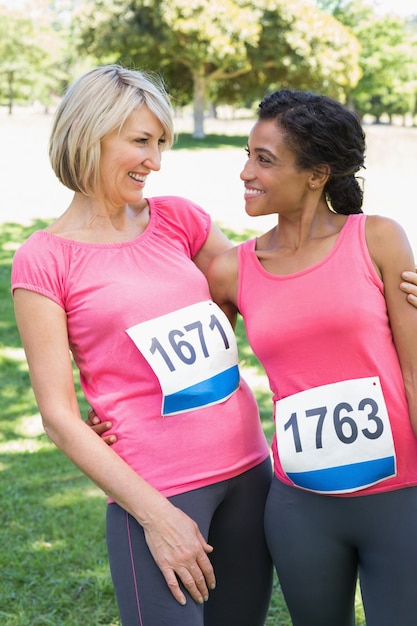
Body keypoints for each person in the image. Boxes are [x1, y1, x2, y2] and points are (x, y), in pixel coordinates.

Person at [11, 65, 273, 626]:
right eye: (140, 141)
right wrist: (159, 518)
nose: (155, 161)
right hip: (159, 492)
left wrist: (371, 268)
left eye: (160, 144)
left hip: (252, 470)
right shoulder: (45, 258)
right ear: (90, 134)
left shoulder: (178, 218)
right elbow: (58, 417)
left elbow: (265, 289)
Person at [207, 89, 417, 626]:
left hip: (400, 495)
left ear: (317, 173)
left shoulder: (379, 240)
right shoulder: (232, 271)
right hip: (301, 506)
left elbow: (415, 374)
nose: (246, 172)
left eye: (265, 159)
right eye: (248, 155)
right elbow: (192, 374)